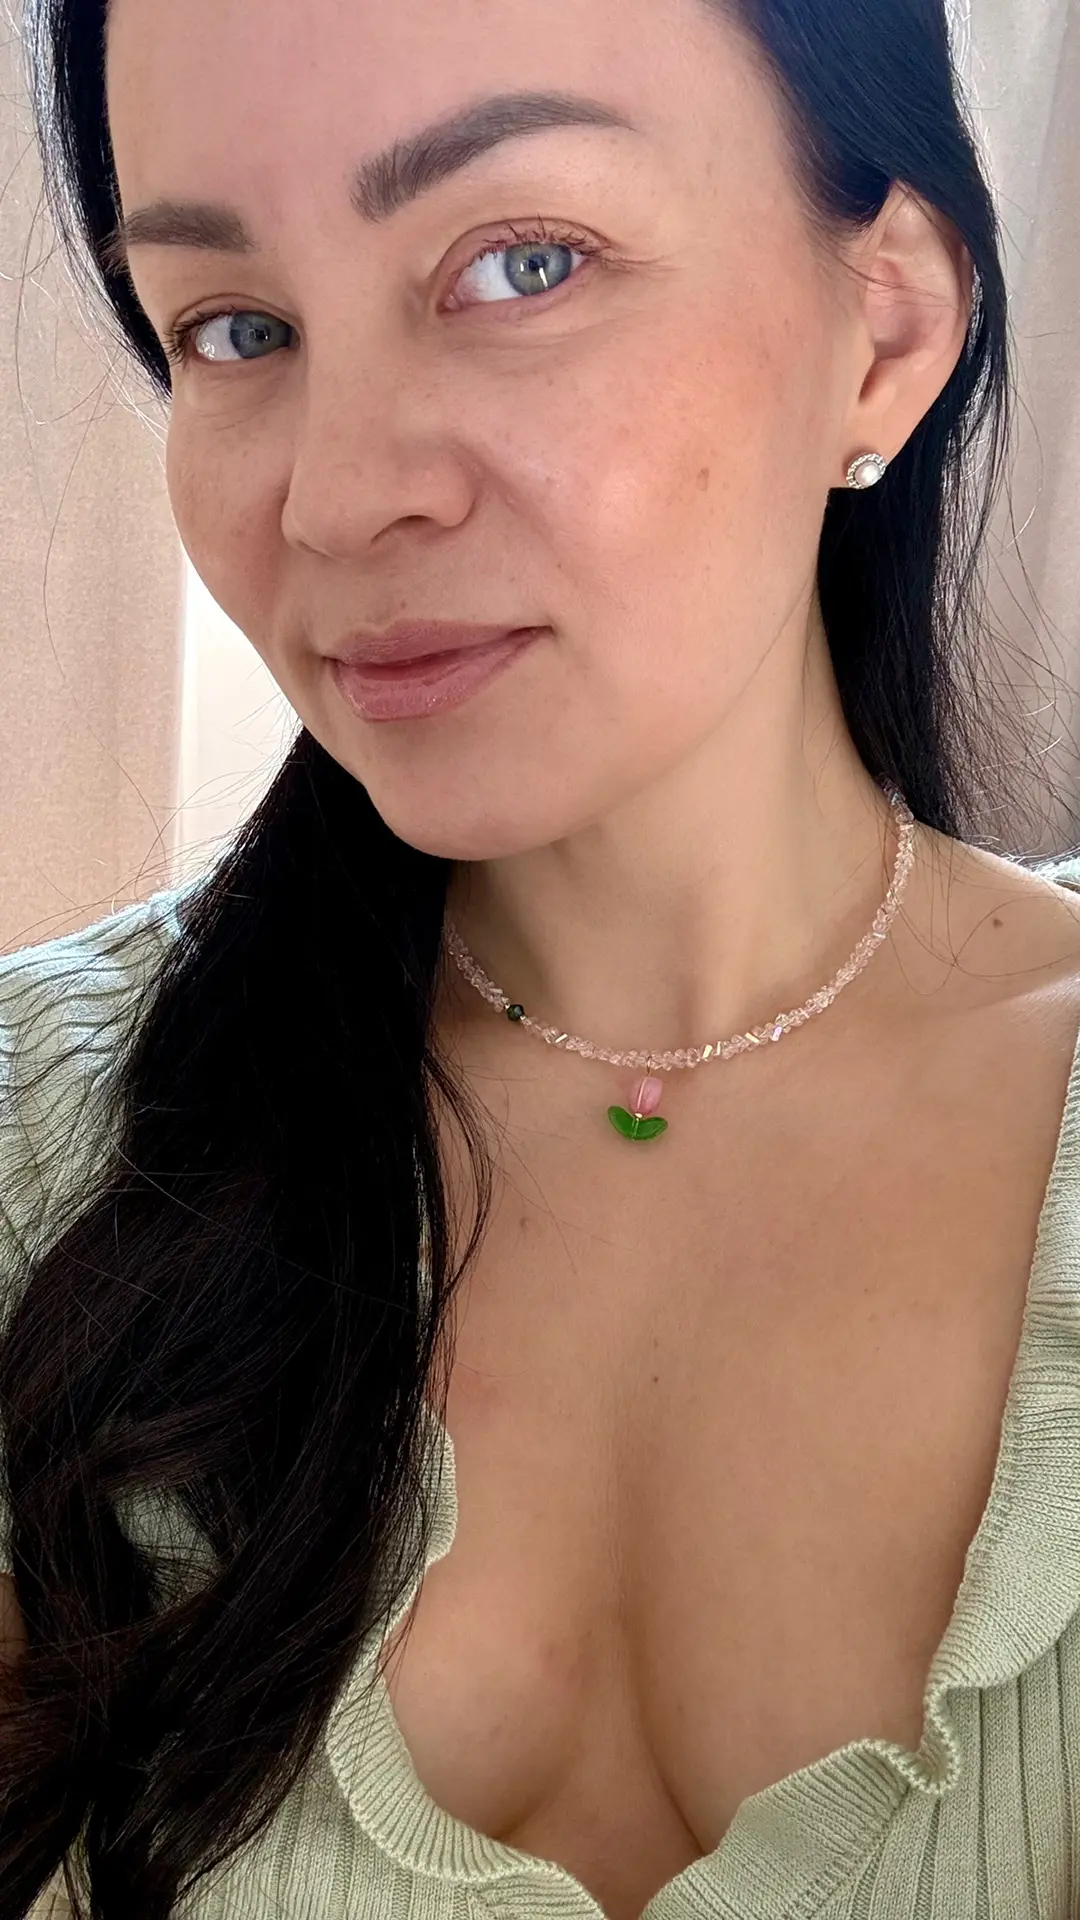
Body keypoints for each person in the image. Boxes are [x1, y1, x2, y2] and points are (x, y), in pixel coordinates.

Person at [5, 0, 1080, 1913]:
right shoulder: (38, 1154)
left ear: (887, 328)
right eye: (233, 327)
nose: (339, 496)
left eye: (520, 264)